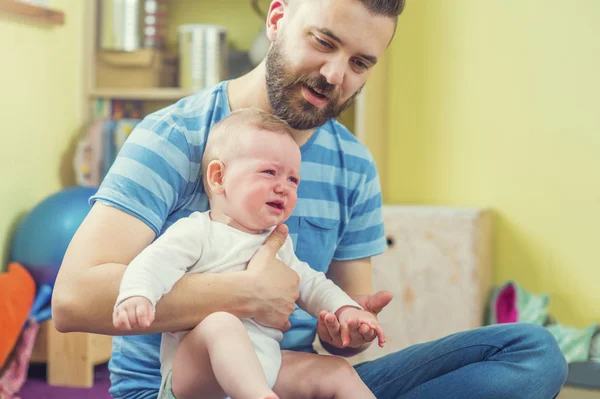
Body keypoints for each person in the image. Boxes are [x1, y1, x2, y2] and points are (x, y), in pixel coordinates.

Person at [54, 0, 568, 398]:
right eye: (323, 41)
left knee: (532, 352)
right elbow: (73, 300)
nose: (334, 75)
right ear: (277, 18)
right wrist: (243, 293)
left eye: (360, 62)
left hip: (290, 378)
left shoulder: (354, 165)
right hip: (180, 388)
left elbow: (335, 333)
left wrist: (350, 328)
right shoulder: (172, 135)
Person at [112, 108, 384, 399]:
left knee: (339, 372)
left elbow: (313, 284)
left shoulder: (278, 243)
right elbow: (153, 263)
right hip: (198, 382)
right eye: (269, 172)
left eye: (293, 180)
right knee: (220, 323)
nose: (283, 188)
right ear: (218, 177)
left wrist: (347, 310)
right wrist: (137, 295)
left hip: (266, 369)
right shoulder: (197, 232)